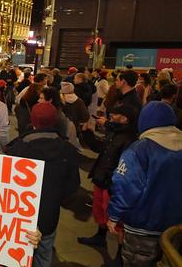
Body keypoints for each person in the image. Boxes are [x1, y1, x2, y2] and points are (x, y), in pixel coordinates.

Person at [107, 101, 182, 267]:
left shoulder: (139, 150)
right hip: (175, 229)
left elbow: (125, 186)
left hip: (143, 227)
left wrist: (113, 215)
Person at [6, 102, 80, 267]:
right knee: (44, 255)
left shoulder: (16, 149)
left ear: (32, 120)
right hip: (49, 216)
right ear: (54, 121)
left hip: (18, 217)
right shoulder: (67, 149)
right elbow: (72, 187)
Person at [77, 105, 138, 265]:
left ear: (125, 119)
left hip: (112, 183)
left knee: (116, 221)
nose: (111, 115)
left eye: (116, 114)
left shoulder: (130, 139)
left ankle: (120, 254)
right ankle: (100, 236)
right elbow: (100, 148)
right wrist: (87, 133)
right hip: (101, 177)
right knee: (99, 210)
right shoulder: (115, 131)